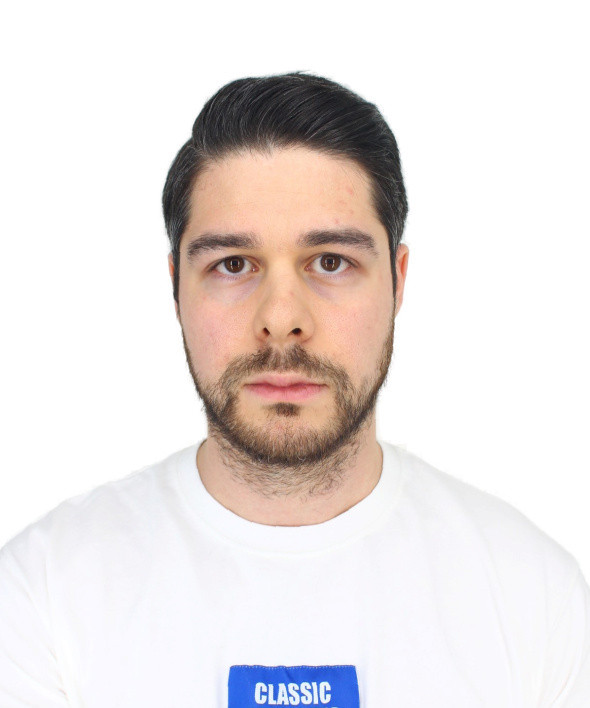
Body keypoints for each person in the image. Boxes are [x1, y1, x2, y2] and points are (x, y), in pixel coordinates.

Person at [0, 73, 588, 707]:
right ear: (176, 288)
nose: (281, 318)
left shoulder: (536, 597)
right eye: (232, 265)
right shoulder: (44, 595)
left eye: (331, 262)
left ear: (397, 281)